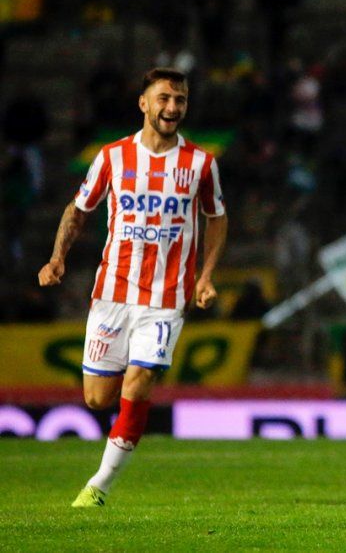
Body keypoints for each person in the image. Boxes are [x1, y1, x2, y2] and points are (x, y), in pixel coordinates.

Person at [38, 68, 228, 508]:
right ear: (144, 103)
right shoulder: (112, 157)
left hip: (165, 300)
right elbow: (79, 209)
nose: (172, 108)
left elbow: (216, 217)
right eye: (164, 98)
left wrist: (205, 275)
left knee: (139, 381)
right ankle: (115, 440)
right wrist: (57, 257)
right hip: (113, 294)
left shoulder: (200, 163)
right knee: (97, 398)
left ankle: (98, 486)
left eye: (180, 100)